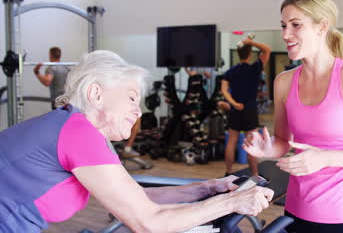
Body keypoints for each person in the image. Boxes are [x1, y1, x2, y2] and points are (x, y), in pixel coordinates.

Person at [0, 50, 274, 232]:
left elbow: (136, 198)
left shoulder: (76, 128)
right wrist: (232, 203)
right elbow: (147, 222)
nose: (138, 111)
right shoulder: (78, 133)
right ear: (96, 94)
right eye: (131, 97)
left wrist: (209, 187)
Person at [243, 0, 343, 233]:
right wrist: (266, 148)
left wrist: (325, 157)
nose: (285, 34)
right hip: (294, 213)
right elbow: (284, 142)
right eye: (283, 25)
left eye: (296, 25)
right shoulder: (284, 82)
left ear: (321, 26)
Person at [221, 37, 271, 177]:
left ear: (238, 53)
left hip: (235, 110)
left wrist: (234, 103)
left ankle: (229, 172)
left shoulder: (230, 71)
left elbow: (224, 90)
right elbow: (267, 49)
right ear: (250, 53)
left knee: (231, 142)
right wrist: (252, 43)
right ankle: (255, 175)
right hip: (249, 110)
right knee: (251, 143)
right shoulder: (255, 67)